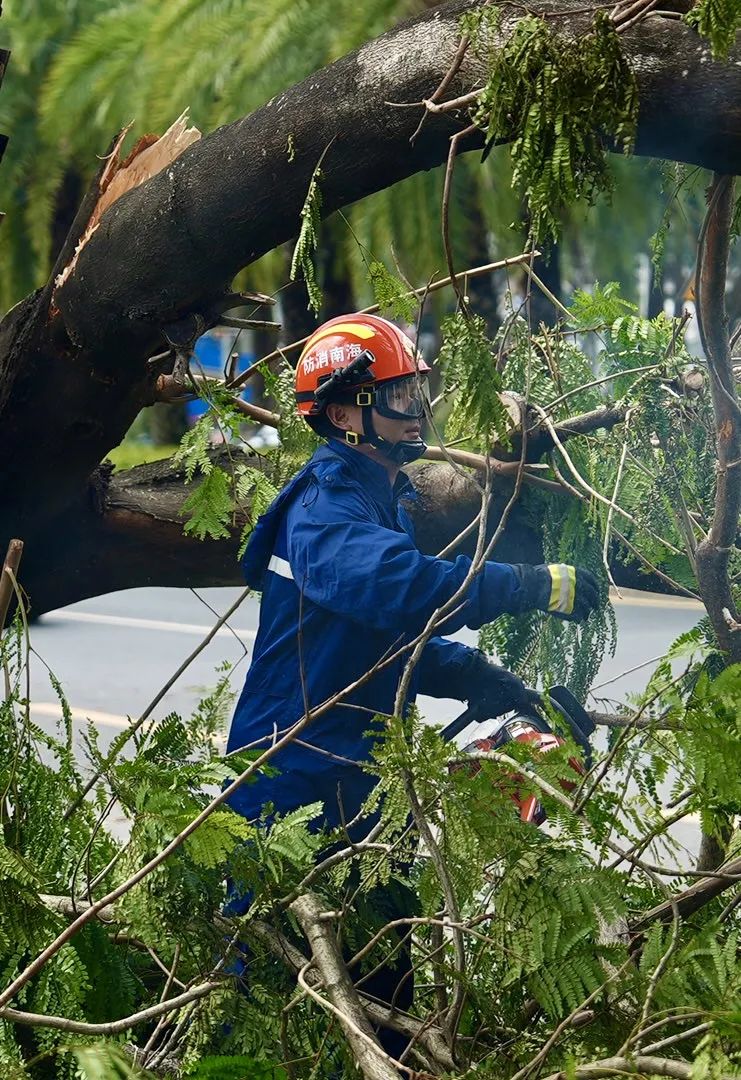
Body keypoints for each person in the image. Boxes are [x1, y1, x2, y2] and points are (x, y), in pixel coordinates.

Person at [225, 313, 599, 1057]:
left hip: (358, 775)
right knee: (273, 1012)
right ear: (343, 412)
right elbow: (402, 591)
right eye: (396, 393)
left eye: (414, 387)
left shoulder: (375, 497)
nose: (416, 406)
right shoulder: (325, 509)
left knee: (383, 984)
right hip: (292, 777)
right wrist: (530, 584)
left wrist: (480, 679)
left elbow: (379, 640)